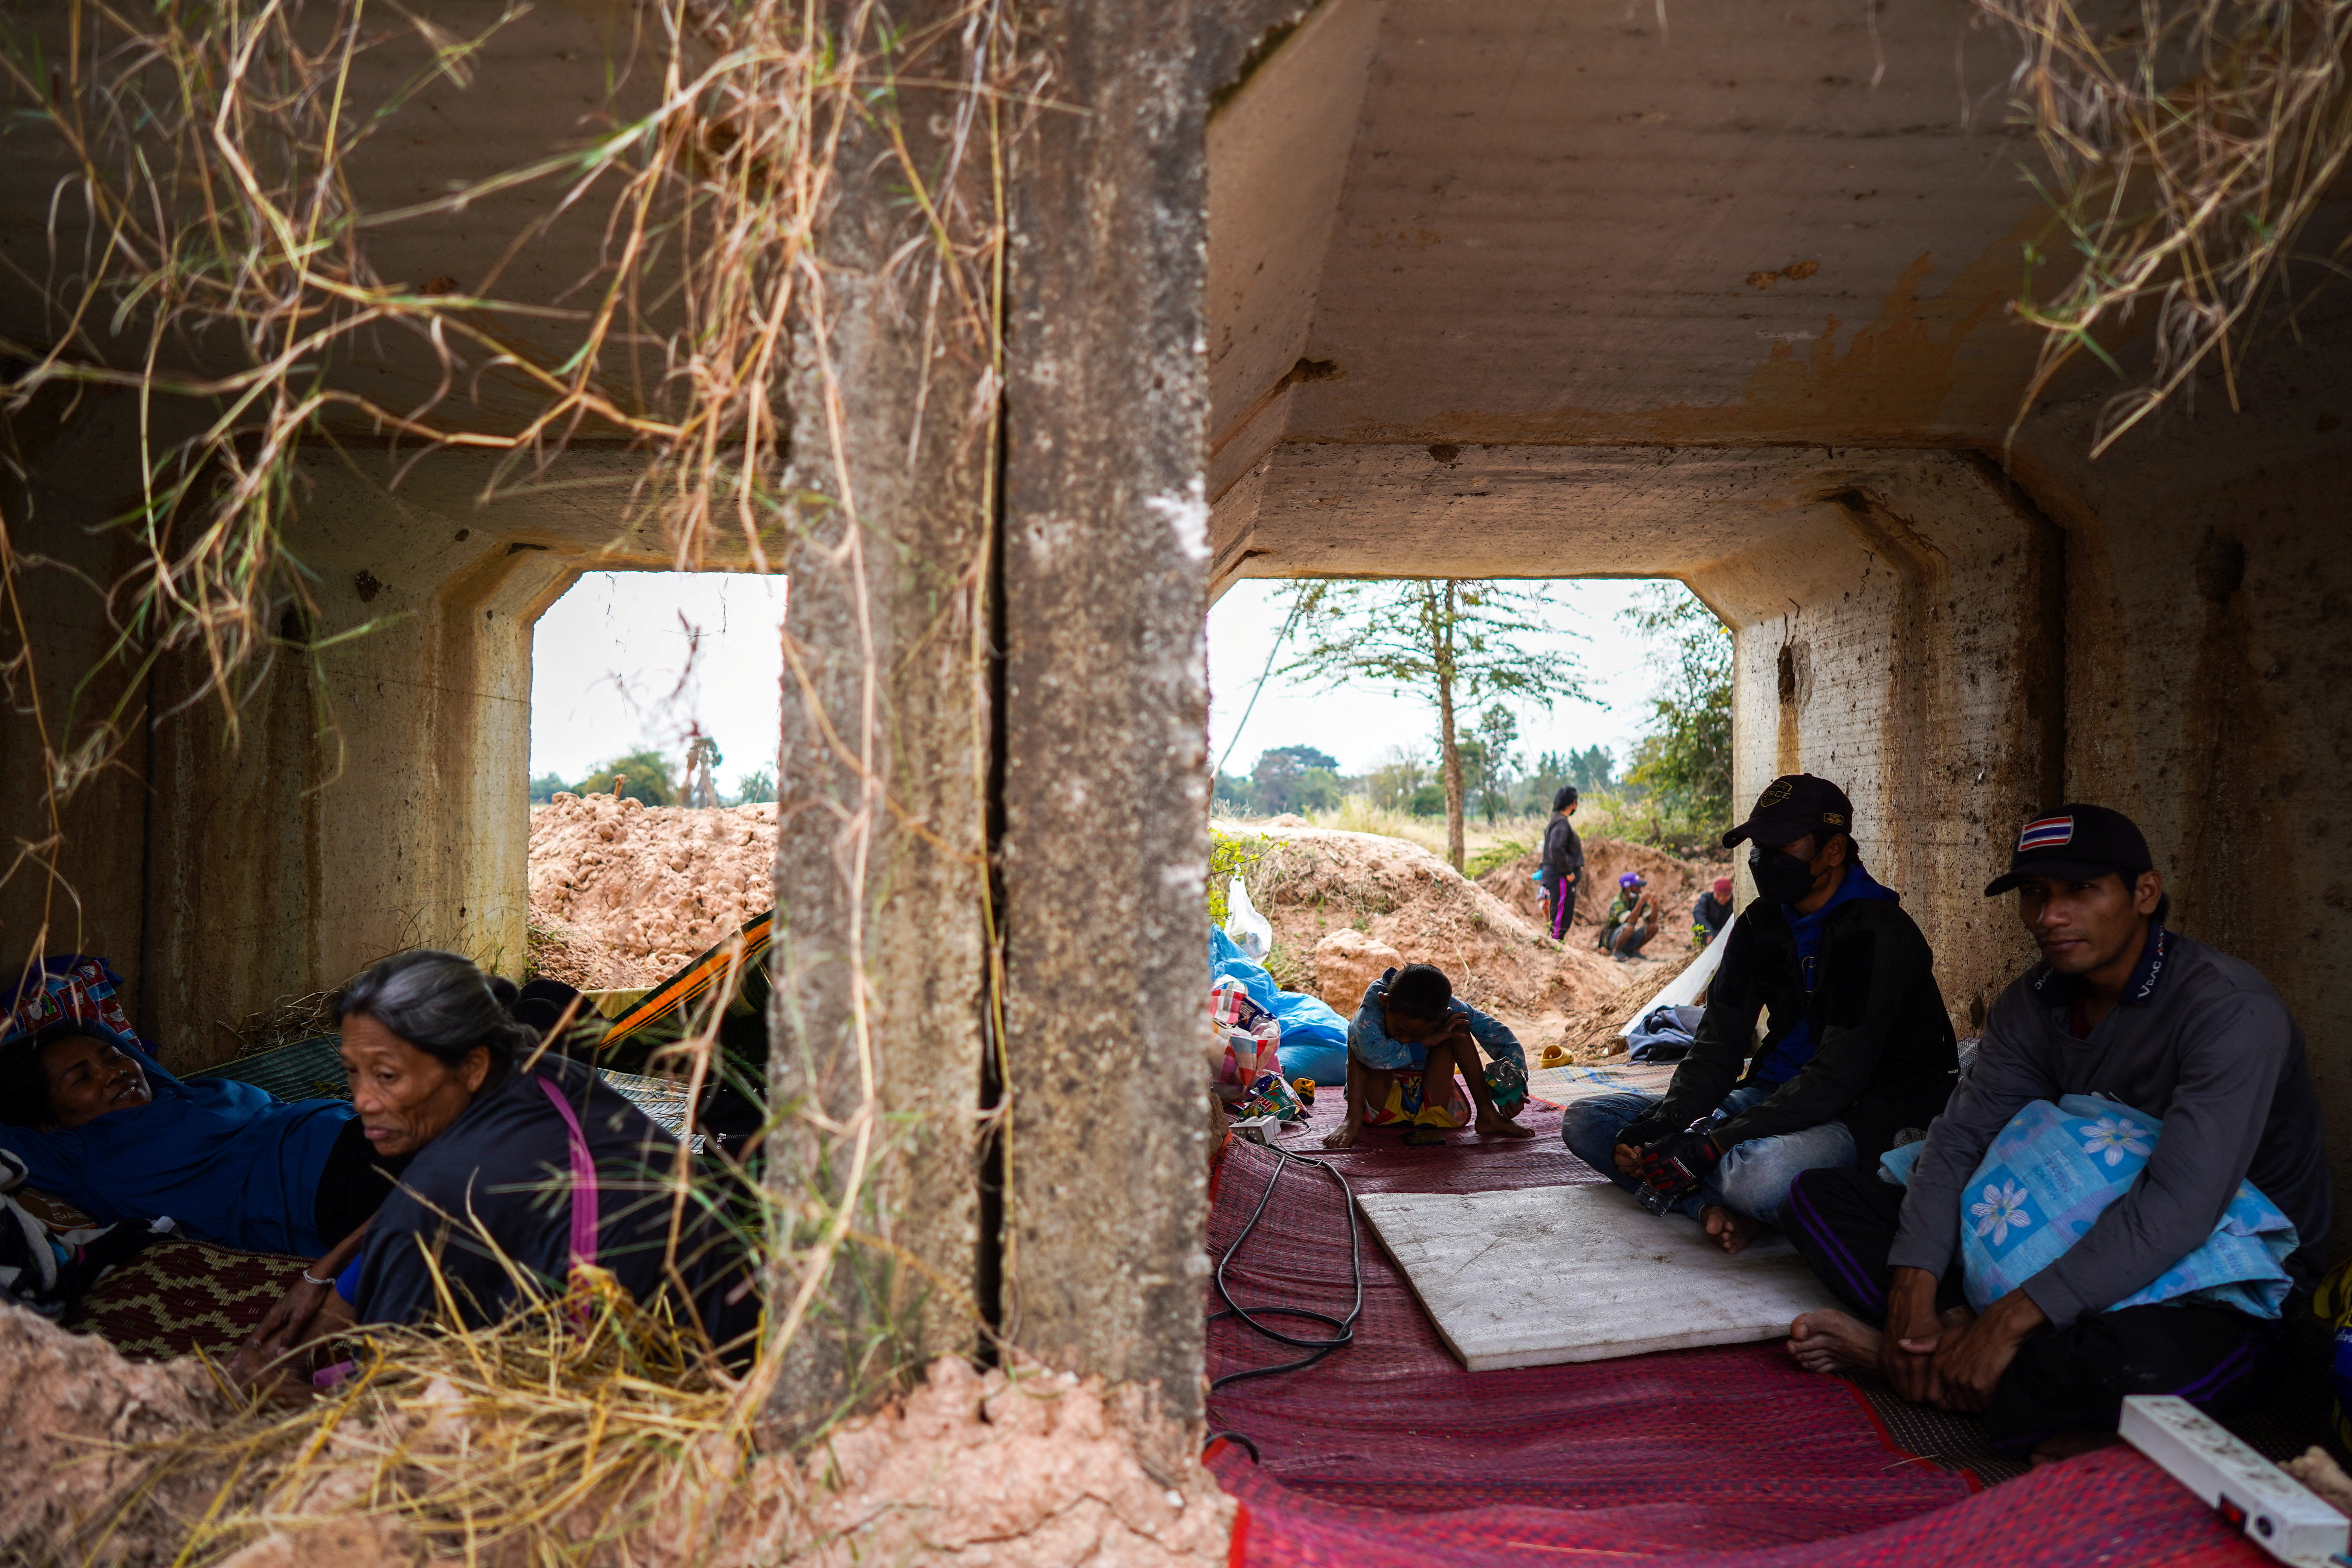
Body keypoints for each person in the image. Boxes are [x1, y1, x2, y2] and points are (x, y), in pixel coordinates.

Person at [1780, 805, 2328, 1464]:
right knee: (1818, 1200)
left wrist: (2009, 1318)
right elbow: (1956, 1142)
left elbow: (2179, 1206)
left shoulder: (2228, 1009)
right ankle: (1955, 1349)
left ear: (2144, 894)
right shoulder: (2031, 1003)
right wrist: (1916, 1288)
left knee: (2133, 1369)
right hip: (2051, 1240)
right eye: (2035, 895)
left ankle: (1909, 1361)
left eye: (2080, 891)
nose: (2049, 916)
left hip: (2219, 1269)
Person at [239, 951, 758, 1376]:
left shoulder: (446, 1198)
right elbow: (419, 1197)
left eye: (389, 1075)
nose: (363, 1101)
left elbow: (385, 1420)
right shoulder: (549, 1073)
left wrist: (279, 1396)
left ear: (472, 1066)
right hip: (742, 1324)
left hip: (677, 1393)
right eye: (354, 1072)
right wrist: (324, 1270)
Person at [1561, 774, 1957, 1254]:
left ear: (1833, 850)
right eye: (1758, 846)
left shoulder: (1876, 931)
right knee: (1590, 1122)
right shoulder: (1760, 924)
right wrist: (1664, 1124)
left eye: (1783, 845)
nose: (1763, 860)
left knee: (1757, 1177)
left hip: (1863, 1112)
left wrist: (1711, 1145)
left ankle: (1737, 1198)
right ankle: (1709, 1208)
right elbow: (1718, 1043)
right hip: (1770, 1096)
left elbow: (1837, 1077)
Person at [0, 1018, 399, 1258]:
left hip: (356, 1126)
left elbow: (88, 1026)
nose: (113, 1072)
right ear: (47, 1122)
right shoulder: (78, 1154)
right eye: (81, 1078)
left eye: (112, 1057)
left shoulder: (177, 1090)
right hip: (323, 1189)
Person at [1323, 963, 1533, 1150]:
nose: (1406, 1037)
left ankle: (1488, 1115)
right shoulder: (1373, 1009)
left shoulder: (1446, 1007)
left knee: (1458, 1026)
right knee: (1358, 1036)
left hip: (1433, 1105)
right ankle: (1353, 1119)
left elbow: (1500, 1036)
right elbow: (1372, 1055)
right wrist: (1426, 1040)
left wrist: (1515, 1087)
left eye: (1418, 1033)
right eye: (1399, 1030)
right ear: (1385, 1001)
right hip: (1381, 1104)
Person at [1539, 787, 1586, 940]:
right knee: (1560, 915)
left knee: (1559, 913)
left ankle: (1556, 943)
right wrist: (1568, 872)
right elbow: (1556, 848)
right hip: (1560, 877)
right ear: (1574, 804)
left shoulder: (1555, 821)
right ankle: (1555, 945)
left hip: (1555, 875)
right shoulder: (1561, 823)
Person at [1597, 872, 1660, 961]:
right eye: (1637, 887)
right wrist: (1641, 903)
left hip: (1627, 935)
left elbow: (1652, 921)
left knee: (1654, 927)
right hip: (1612, 939)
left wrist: (1655, 905)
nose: (1640, 890)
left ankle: (1633, 951)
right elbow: (1630, 921)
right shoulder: (1618, 901)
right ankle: (1617, 952)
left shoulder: (1637, 899)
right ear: (1628, 888)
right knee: (1629, 928)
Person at [1692, 876, 1733, 947]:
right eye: (1718, 895)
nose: (1721, 899)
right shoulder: (1706, 898)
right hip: (1710, 929)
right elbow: (1698, 913)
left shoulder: (1735, 902)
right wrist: (1709, 932)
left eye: (1725, 896)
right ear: (1714, 892)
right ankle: (1704, 948)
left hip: (1726, 933)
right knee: (1696, 926)